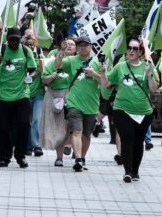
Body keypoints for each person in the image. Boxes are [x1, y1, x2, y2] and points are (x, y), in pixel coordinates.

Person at [100, 37, 159, 183]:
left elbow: (154, 90)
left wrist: (150, 74)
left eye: (135, 49)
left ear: (140, 52)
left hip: (143, 112)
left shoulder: (147, 66)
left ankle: (135, 171)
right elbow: (107, 84)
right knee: (127, 139)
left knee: (138, 142)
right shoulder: (120, 67)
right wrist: (101, 73)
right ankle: (127, 171)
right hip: (122, 109)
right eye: (129, 48)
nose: (131, 51)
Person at [0, 27, 36, 168]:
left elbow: (33, 71)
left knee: (23, 125)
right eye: (11, 39)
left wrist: (29, 78)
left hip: (21, 95)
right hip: (2, 96)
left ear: (21, 39)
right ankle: (3, 157)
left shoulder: (26, 51)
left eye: (17, 39)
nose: (14, 42)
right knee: (2, 128)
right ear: (7, 39)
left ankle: (20, 156)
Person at [55, 35, 103, 172]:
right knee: (76, 131)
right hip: (74, 103)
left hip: (91, 104)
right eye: (80, 45)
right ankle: (77, 159)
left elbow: (105, 83)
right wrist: (61, 52)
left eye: (85, 45)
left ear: (91, 47)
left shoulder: (97, 62)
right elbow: (57, 66)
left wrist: (94, 74)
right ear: (77, 47)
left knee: (86, 135)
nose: (83, 48)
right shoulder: (71, 60)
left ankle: (82, 157)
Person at [40, 37, 76, 166]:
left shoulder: (77, 63)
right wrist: (52, 76)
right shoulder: (52, 63)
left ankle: (73, 147)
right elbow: (44, 80)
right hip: (54, 96)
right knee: (59, 127)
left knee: (73, 127)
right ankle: (59, 157)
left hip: (72, 97)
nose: (69, 46)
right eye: (67, 44)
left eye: (72, 44)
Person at [22, 34, 45, 157]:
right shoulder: (21, 56)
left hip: (38, 94)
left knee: (36, 119)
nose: (30, 47)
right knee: (26, 121)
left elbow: (44, 70)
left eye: (32, 44)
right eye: (27, 45)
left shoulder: (39, 56)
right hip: (24, 93)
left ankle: (37, 145)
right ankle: (27, 146)